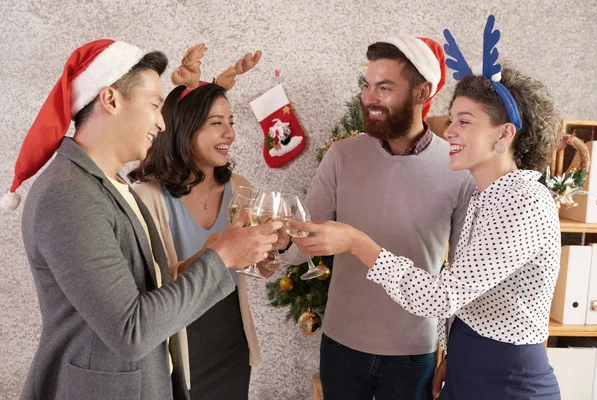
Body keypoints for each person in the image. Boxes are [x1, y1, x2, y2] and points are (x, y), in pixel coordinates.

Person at [291, 15, 562, 400]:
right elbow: (467, 291)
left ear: (504, 134)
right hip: (467, 364)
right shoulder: (490, 195)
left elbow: (442, 294)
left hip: (506, 379)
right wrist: (453, 350)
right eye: (452, 120)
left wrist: (356, 242)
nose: (449, 130)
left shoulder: (524, 202)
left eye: (463, 122)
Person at [7, 39, 281, 400]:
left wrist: (210, 254)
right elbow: (131, 329)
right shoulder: (69, 195)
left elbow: (146, 289)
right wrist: (222, 259)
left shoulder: (111, 184)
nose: (161, 122)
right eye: (154, 104)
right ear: (111, 99)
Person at [282, 35, 475, 400]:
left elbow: (463, 278)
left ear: (422, 93)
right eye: (368, 86)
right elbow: (301, 244)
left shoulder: (458, 169)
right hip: (341, 346)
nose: (369, 97)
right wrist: (279, 244)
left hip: (414, 353)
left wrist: (453, 351)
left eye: (384, 87)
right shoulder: (341, 156)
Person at [129, 45, 279, 400]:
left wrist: (263, 258)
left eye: (231, 123)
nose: (229, 133)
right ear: (183, 129)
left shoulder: (239, 188)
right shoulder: (146, 197)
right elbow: (146, 286)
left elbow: (246, 266)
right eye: (216, 124)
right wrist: (218, 253)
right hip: (175, 342)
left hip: (230, 339)